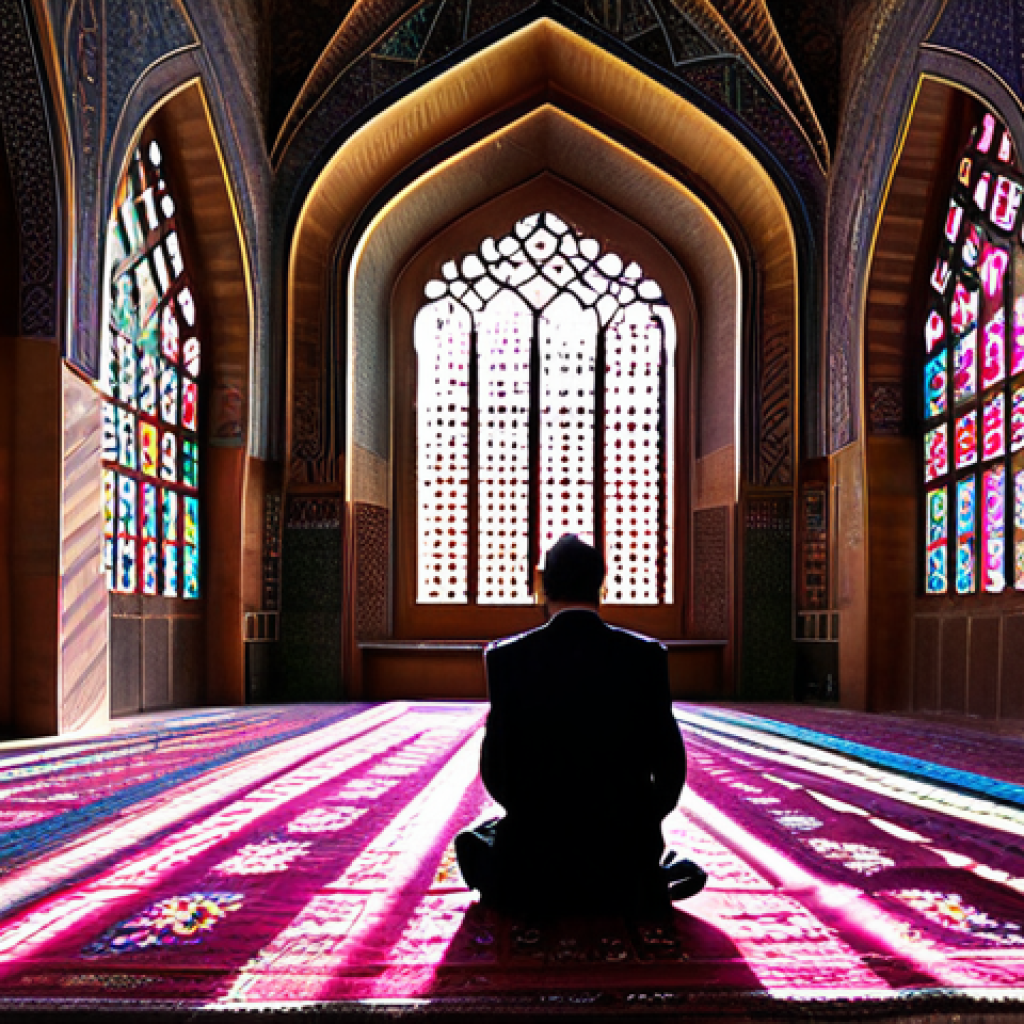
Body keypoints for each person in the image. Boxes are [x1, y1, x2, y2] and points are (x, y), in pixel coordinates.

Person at [455, 534, 707, 917]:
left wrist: (541, 818)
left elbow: (496, 772)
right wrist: (632, 822)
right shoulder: (644, 657)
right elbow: (670, 770)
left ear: (544, 587)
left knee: (478, 842)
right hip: (623, 858)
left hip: (534, 861)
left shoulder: (506, 658)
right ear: (601, 585)